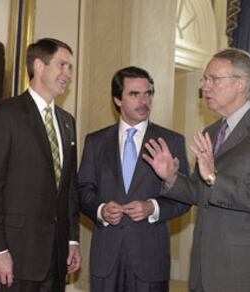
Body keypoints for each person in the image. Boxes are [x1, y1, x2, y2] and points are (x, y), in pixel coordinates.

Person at [143, 48, 250, 292]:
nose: (205, 87)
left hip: (244, 273)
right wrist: (171, 177)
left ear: (240, 84)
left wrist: (215, 177)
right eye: (205, 79)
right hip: (204, 268)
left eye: (214, 79)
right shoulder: (211, 133)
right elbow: (200, 192)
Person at [0, 38, 81, 292]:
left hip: (56, 259)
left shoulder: (67, 122)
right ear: (39, 66)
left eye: (70, 67)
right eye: (62, 65)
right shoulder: (5, 114)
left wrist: (72, 239)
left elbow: (69, 189)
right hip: (14, 257)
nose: (67, 73)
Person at [78, 66, 190, 292]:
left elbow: (185, 198)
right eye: (134, 94)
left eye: (148, 93)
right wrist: (100, 210)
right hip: (106, 260)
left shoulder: (171, 141)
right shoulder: (96, 142)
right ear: (117, 99)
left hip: (150, 261)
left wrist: (152, 207)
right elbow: (82, 190)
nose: (144, 101)